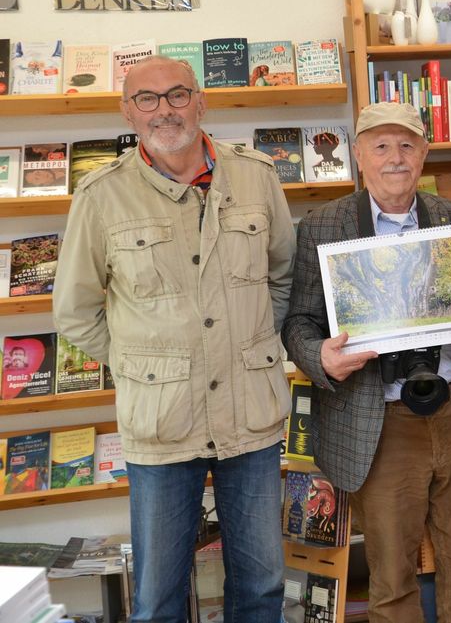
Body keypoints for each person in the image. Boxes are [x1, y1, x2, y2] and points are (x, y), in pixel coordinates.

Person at [53, 55, 296, 623]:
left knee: (261, 587)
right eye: (148, 98)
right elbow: (75, 311)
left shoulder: (256, 176)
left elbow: (284, 275)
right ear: (127, 110)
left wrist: (255, 342)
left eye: (177, 95)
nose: (165, 110)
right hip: (161, 424)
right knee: (158, 598)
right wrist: (142, 364)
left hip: (250, 417)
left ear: (201, 100)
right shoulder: (100, 196)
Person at [282, 101, 451, 623]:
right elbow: (298, 324)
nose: (395, 158)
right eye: (381, 146)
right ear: (359, 155)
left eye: (406, 144)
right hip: (379, 419)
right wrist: (321, 359)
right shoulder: (323, 226)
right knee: (393, 576)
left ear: (424, 153)